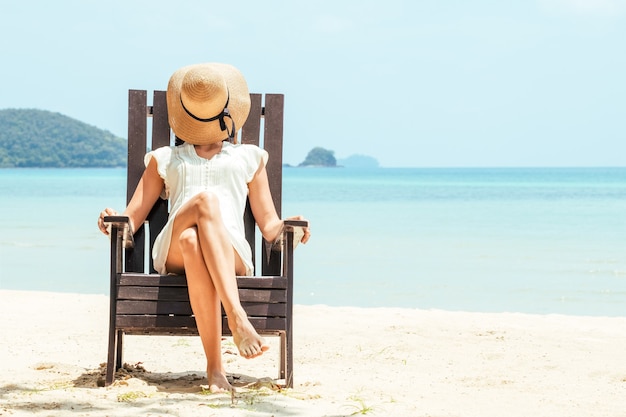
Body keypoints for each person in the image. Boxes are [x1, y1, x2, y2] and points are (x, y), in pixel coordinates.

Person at [97, 63, 310, 393]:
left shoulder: (249, 157)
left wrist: (290, 226)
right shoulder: (165, 158)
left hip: (230, 251)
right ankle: (236, 316)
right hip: (172, 254)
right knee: (204, 204)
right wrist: (112, 218)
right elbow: (131, 218)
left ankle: (214, 369)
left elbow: (269, 224)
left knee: (193, 240)